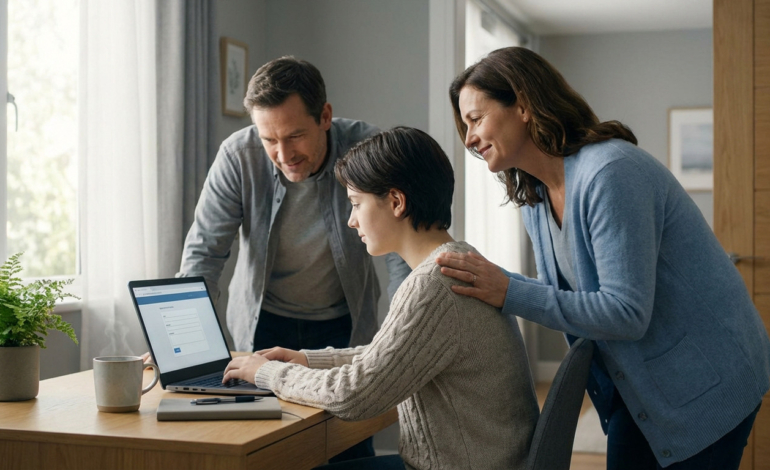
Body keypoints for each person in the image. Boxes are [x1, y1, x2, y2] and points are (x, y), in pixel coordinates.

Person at [434, 46, 770, 470]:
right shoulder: (535, 196)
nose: (468, 139)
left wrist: (508, 291)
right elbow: (562, 293)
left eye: (476, 119)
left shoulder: (610, 172)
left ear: (522, 105)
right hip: (642, 387)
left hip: (707, 382)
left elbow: (625, 312)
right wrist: (491, 280)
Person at [222, 127, 540, 470]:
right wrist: (306, 359)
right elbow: (394, 355)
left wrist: (268, 373)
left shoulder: (434, 285)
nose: (351, 220)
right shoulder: (455, 262)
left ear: (396, 202)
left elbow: (353, 396)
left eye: (357, 204)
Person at [177, 56, 410, 461]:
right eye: (269, 139)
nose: (283, 154)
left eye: (294, 136)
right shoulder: (237, 156)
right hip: (264, 328)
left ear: (325, 116)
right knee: (267, 452)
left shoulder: (366, 149)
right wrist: (179, 338)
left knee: (347, 447)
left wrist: (405, 329)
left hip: (344, 326)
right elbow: (204, 253)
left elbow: (403, 252)